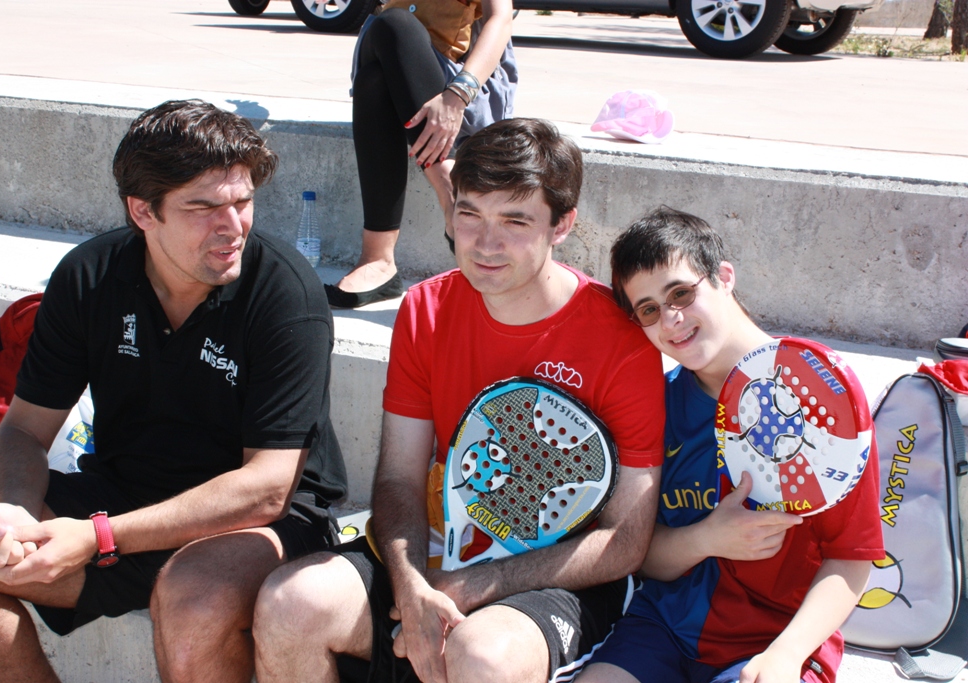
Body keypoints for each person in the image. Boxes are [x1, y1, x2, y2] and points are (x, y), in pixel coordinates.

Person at [0, 99, 348, 683]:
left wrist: (95, 536)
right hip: (126, 496)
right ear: (143, 211)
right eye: (204, 207)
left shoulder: (285, 294)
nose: (232, 227)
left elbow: (266, 489)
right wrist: (16, 517)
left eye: (242, 202)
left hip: (261, 524)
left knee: (193, 598)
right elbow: (26, 431)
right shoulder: (90, 275)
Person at [253, 118, 665, 683]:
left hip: (557, 575)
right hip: (439, 552)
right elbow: (398, 477)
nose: (485, 243)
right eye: (469, 213)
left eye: (515, 221)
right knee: (290, 603)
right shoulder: (426, 309)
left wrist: (471, 587)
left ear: (562, 224)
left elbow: (624, 541)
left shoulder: (620, 338)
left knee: (480, 655)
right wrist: (413, 586)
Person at [575, 207, 885, 683]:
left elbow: (852, 557)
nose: (671, 319)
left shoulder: (819, 390)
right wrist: (707, 538)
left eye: (681, 293)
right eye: (650, 309)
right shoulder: (658, 406)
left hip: (777, 638)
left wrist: (787, 655)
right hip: (663, 629)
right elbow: (637, 554)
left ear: (723, 276)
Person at [323, 0, 517, 308]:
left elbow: (501, 19)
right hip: (389, 52)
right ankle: (447, 194)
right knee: (387, 38)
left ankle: (384, 252)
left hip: (459, 82)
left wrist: (458, 95)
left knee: (381, 58)